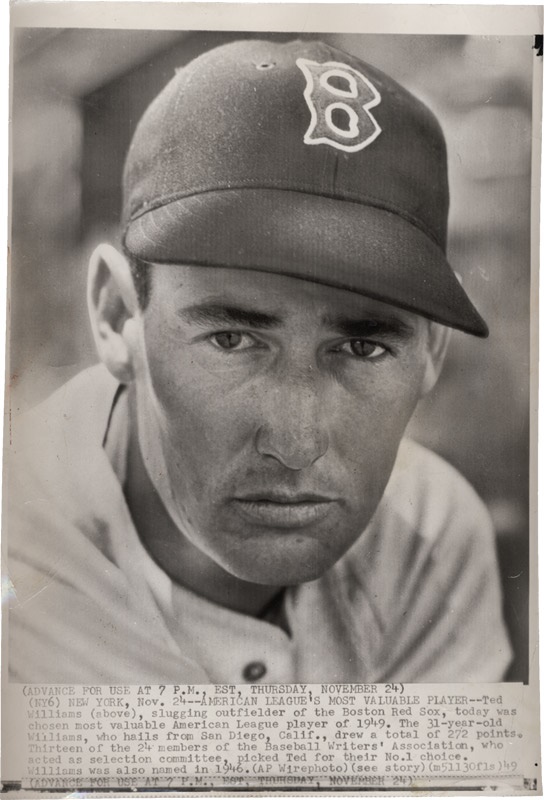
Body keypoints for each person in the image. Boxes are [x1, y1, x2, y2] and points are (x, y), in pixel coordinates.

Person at [8, 38, 512, 684]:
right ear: (115, 315)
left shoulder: (428, 541)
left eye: (362, 348)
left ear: (431, 350)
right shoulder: (18, 556)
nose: (295, 442)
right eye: (232, 340)